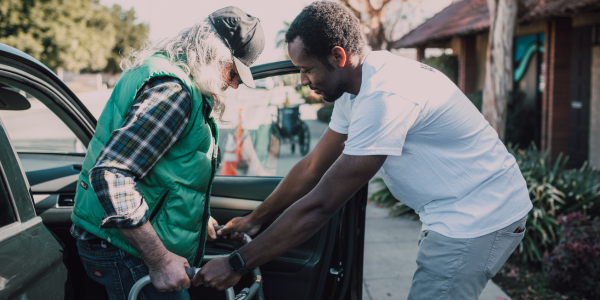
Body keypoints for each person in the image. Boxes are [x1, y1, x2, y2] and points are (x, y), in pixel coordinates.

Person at [196, 2, 532, 299]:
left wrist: (238, 263)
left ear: (338, 56)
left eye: (306, 69)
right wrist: (255, 220)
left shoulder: (385, 95)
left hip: (480, 216)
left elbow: (322, 204)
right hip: (452, 211)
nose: (302, 80)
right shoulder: (356, 88)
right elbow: (314, 166)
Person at [70, 7, 264, 299]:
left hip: (118, 240)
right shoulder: (174, 91)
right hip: (126, 250)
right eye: (233, 70)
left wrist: (195, 217)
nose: (235, 83)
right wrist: (159, 260)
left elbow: (163, 169)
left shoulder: (164, 72)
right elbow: (112, 174)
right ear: (214, 53)